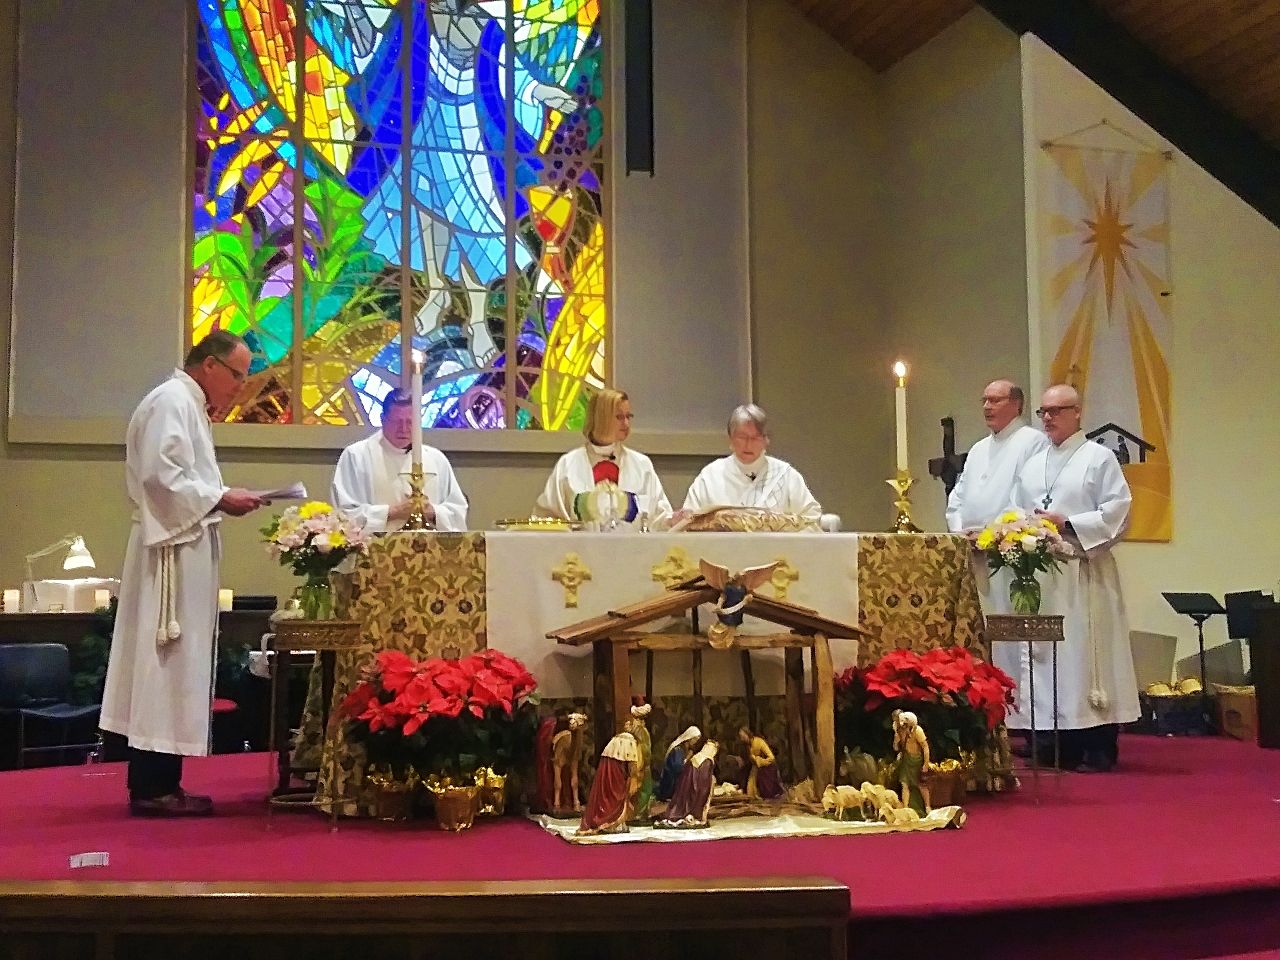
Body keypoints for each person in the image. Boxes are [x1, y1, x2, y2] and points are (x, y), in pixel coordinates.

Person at [101, 331, 270, 817]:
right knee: (165, 664)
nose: (241, 385)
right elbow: (161, 477)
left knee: (176, 665)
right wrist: (221, 497)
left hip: (182, 546)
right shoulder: (173, 400)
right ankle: (153, 787)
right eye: (237, 374)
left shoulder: (188, 405)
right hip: (169, 555)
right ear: (210, 366)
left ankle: (162, 782)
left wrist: (220, 495)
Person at [1009, 383, 1138, 772]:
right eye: (1043, 412)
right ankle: (1053, 742)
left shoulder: (1099, 458)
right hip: (1045, 575)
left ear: (1077, 413)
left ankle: (1097, 746)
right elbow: (1017, 509)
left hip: (1084, 571)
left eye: (1057, 410)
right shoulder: (1034, 463)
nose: (1048, 418)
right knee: (1048, 657)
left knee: (1087, 658)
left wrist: (1067, 523)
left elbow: (1119, 511)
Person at [331, 388, 468, 532]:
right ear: (383, 419)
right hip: (375, 550)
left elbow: (457, 512)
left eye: (410, 422)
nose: (403, 429)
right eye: (396, 421)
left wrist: (431, 511)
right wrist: (391, 512)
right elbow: (343, 514)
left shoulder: (436, 459)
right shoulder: (356, 456)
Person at [534, 388, 671, 527]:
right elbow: (547, 519)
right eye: (619, 417)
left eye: (628, 416)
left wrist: (673, 521)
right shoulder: (568, 465)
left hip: (632, 547)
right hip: (580, 547)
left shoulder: (642, 465)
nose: (626, 424)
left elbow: (660, 518)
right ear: (600, 417)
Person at [682, 404, 821, 523]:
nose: (748, 444)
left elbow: (810, 519)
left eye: (755, 438)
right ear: (730, 439)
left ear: (766, 440)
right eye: (742, 437)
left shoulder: (785, 475)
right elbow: (689, 521)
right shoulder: (710, 476)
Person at [946, 380, 1048, 536]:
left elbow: (1025, 497)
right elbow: (958, 496)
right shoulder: (978, 448)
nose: (987, 406)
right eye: (984, 401)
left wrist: (992, 533)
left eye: (995, 400)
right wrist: (959, 530)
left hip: (1005, 542)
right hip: (967, 542)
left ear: (1016, 404)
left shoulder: (1034, 441)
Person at [576, 730, 641, 836]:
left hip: (608, 773)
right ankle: (611, 823)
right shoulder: (630, 742)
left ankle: (604, 821)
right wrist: (633, 777)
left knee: (606, 795)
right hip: (618, 775)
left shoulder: (613, 743)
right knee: (615, 797)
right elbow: (632, 765)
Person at [656, 740, 719, 828]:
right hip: (694, 788)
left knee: (683, 804)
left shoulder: (697, 757)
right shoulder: (707, 761)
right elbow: (703, 783)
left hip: (685, 786)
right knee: (691, 805)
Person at [656, 725, 701, 802]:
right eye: (695, 739)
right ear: (689, 738)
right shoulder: (678, 749)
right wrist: (687, 759)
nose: (695, 742)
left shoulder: (685, 748)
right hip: (671, 784)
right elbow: (677, 768)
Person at [739, 726, 784, 800]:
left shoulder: (759, 742)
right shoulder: (748, 745)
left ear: (747, 735)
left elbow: (771, 758)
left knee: (765, 786)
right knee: (750, 788)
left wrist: (758, 760)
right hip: (756, 767)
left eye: (743, 736)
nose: (742, 739)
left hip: (767, 767)